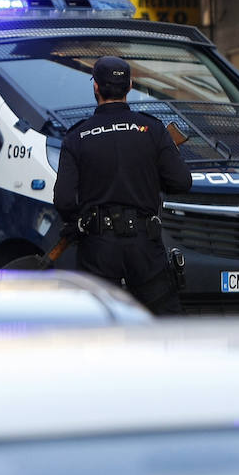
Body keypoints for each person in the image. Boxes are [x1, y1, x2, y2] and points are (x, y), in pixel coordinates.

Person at [53, 56, 192, 313]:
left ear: (95, 87)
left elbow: (63, 200)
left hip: (97, 247)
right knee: (163, 328)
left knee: (97, 326)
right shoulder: (152, 129)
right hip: (145, 246)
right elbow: (182, 182)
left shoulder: (77, 136)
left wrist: (80, 223)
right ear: (130, 86)